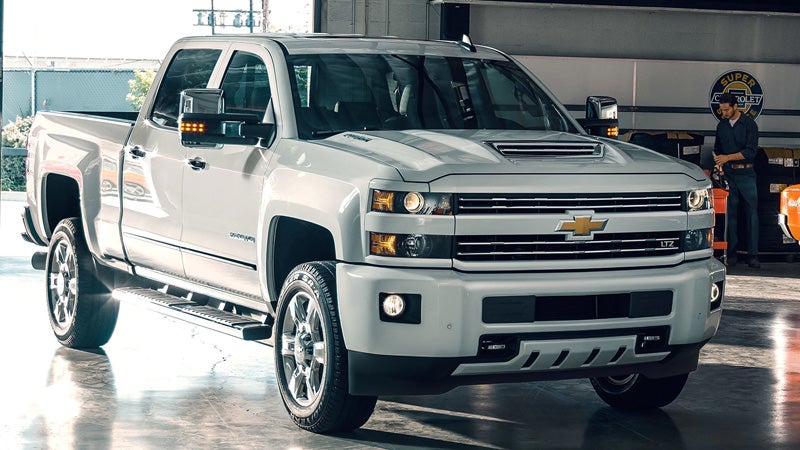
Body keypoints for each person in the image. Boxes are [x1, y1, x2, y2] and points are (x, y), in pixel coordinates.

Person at [713, 92, 760, 268]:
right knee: (730, 215)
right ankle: (731, 254)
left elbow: (750, 151)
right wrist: (719, 163)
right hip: (729, 175)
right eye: (722, 110)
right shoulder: (721, 126)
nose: (724, 113)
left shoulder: (749, 124)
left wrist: (727, 158)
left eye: (726, 110)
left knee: (751, 215)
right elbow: (718, 149)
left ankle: (753, 255)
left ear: (735, 107)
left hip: (747, 174)